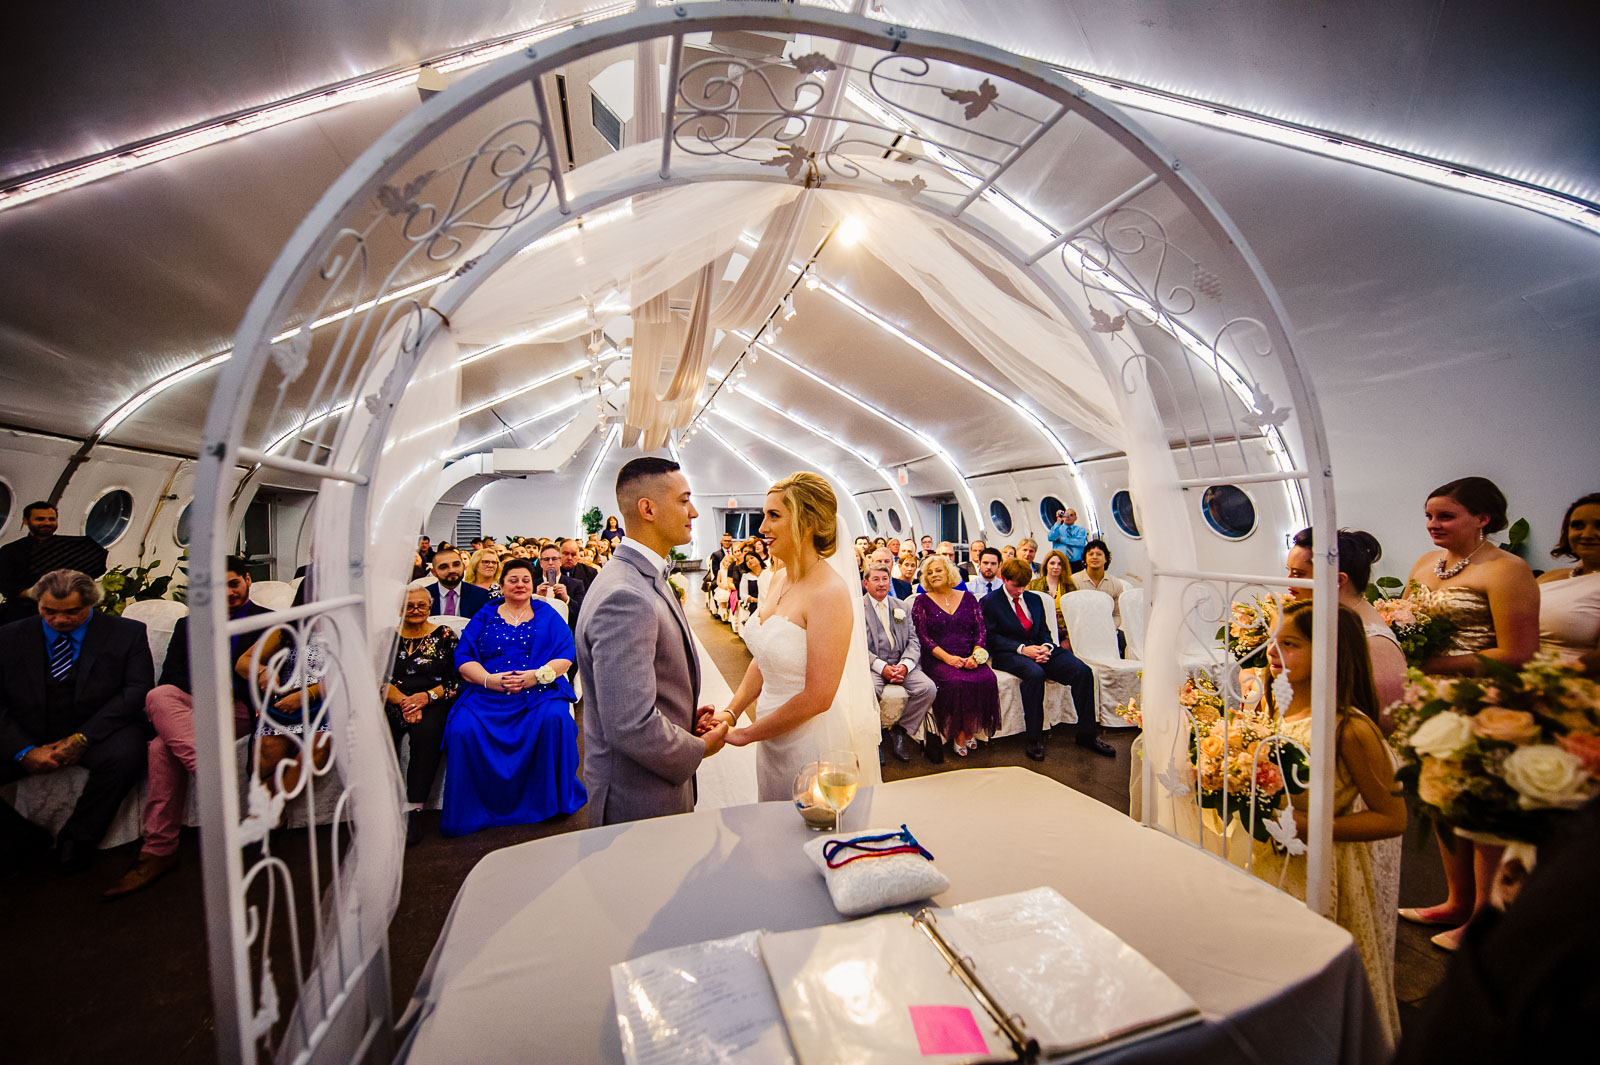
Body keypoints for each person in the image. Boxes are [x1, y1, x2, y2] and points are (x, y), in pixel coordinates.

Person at [1255, 600, 1407, 1046]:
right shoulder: (1277, 708)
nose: (1273, 651)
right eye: (1273, 640)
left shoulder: (1350, 728)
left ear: (1330, 651)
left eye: (1291, 644)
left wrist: (1314, 825)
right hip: (1273, 860)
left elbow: (1393, 817)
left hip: (1325, 868)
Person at [1398, 476, 1540, 952]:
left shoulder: (1507, 569)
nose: (1432, 524)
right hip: (1427, 699)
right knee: (1439, 800)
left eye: (1445, 515)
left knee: (1479, 811)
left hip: (1484, 702)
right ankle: (1456, 900)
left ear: (1482, 518)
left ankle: (1485, 917)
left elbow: (1519, 651)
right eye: (1429, 516)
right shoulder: (1424, 564)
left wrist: (1438, 665)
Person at [104, 556, 269, 898]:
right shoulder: (190, 625)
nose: (227, 593)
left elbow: (274, 676)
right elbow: (174, 676)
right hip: (194, 706)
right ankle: (211, 778)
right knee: (160, 694)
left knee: (160, 748)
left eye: (233, 584)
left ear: (248, 580)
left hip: (239, 707)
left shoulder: (271, 621)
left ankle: (158, 850)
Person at [579, 458, 726, 825]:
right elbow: (630, 722)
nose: (693, 511)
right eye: (683, 500)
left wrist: (683, 718)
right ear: (648, 509)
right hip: (637, 796)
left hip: (649, 784)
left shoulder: (639, 576)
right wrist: (699, 747)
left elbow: (635, 689)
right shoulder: (625, 596)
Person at [710, 472, 857, 802]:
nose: (762, 528)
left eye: (774, 515)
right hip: (772, 733)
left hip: (810, 741)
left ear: (806, 523)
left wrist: (747, 734)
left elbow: (819, 696)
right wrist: (732, 711)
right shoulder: (777, 580)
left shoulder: (829, 593)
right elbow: (765, 658)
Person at [0, 569, 153, 874]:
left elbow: (136, 690)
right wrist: (23, 750)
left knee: (128, 754)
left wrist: (83, 738)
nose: (59, 620)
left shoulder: (127, 633)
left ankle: (78, 840)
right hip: (27, 728)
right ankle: (25, 839)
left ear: (92, 604)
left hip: (97, 727)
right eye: (49, 612)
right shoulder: (8, 636)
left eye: (72, 612)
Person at [443, 558, 584, 834]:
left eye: (525, 580)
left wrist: (536, 676)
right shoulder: (485, 614)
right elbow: (464, 656)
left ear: (533, 584)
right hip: (488, 691)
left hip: (538, 690)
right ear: (502, 585)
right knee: (462, 728)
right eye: (513, 580)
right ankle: (474, 807)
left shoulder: (547, 614)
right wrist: (489, 680)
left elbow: (566, 654)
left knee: (556, 719)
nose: (520, 584)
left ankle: (548, 802)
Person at [984, 559, 1108, 760]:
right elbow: (991, 638)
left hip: (1040, 649)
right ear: (1004, 579)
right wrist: (1024, 649)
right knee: (1035, 675)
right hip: (1011, 653)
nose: (1020, 590)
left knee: (1083, 672)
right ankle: (1034, 738)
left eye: (1024, 585)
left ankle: (1087, 734)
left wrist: (1046, 647)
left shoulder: (1034, 599)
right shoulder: (990, 602)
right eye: (1016, 585)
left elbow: (1044, 631)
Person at [1285, 527, 1408, 724]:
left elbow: (1384, 721)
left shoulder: (1375, 643)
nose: (1288, 582)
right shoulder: (1324, 618)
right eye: (1289, 571)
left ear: (1338, 580)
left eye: (1298, 574)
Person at [386, 582, 459, 846]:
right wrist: (406, 702)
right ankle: (382, 807)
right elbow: (376, 676)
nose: (416, 610)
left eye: (421, 605)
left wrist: (426, 698)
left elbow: (457, 679)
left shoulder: (444, 635)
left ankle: (414, 808)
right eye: (409, 606)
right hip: (393, 699)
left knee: (427, 733)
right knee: (376, 733)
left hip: (434, 699)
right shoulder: (386, 637)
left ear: (430, 607)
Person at [912, 555, 1000, 758]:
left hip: (968, 655)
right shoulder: (921, 601)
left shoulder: (968, 598)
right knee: (956, 681)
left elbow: (981, 632)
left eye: (938, 570)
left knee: (987, 677)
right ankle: (959, 734)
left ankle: (970, 729)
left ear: (949, 572)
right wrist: (948, 659)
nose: (934, 575)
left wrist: (975, 657)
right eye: (930, 572)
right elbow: (923, 638)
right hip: (938, 658)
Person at [863, 563, 937, 763]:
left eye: (885, 579)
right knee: (868, 690)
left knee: (928, 688)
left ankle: (901, 730)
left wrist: (904, 665)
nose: (881, 584)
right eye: (875, 579)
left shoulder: (901, 606)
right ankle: (874, 738)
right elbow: (857, 646)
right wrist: (882, 668)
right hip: (873, 666)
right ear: (865, 583)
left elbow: (914, 640)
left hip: (901, 662)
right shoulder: (857, 608)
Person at [0, 502, 110, 624]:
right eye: (40, 519)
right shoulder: (11, 551)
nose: (47, 523)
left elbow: (94, 570)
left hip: (69, 614)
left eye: (51, 519)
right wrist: (37, 593)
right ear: (26, 521)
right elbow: (7, 586)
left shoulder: (74, 547)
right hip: (24, 615)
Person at [1536, 492, 1600, 674]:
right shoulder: (1548, 577)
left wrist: (1537, 681)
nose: (1587, 534)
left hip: (1572, 688)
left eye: (1599, 525)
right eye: (1577, 526)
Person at [1027, 548, 1077, 638]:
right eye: (1052, 563)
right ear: (1046, 565)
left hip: (1065, 632)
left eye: (1060, 564)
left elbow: (1075, 614)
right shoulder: (1033, 585)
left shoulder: (1070, 586)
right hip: (1040, 631)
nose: (1056, 567)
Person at [428, 548, 491, 619]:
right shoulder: (424, 595)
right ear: (434, 572)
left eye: (456, 565)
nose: (451, 570)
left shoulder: (481, 595)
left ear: (463, 566)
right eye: (443, 567)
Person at [535, 543, 583, 624]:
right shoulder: (532, 585)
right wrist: (536, 598)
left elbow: (581, 614)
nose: (550, 563)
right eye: (546, 559)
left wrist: (566, 599)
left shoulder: (576, 584)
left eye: (554, 559)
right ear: (540, 562)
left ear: (560, 561)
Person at [1047, 506, 1089, 571]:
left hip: (1077, 564)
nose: (1068, 517)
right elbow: (1051, 537)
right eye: (1066, 515)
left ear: (1076, 518)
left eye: (1071, 515)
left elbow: (1080, 542)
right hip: (1060, 562)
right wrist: (1058, 521)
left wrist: (1061, 539)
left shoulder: (1081, 529)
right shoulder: (1057, 528)